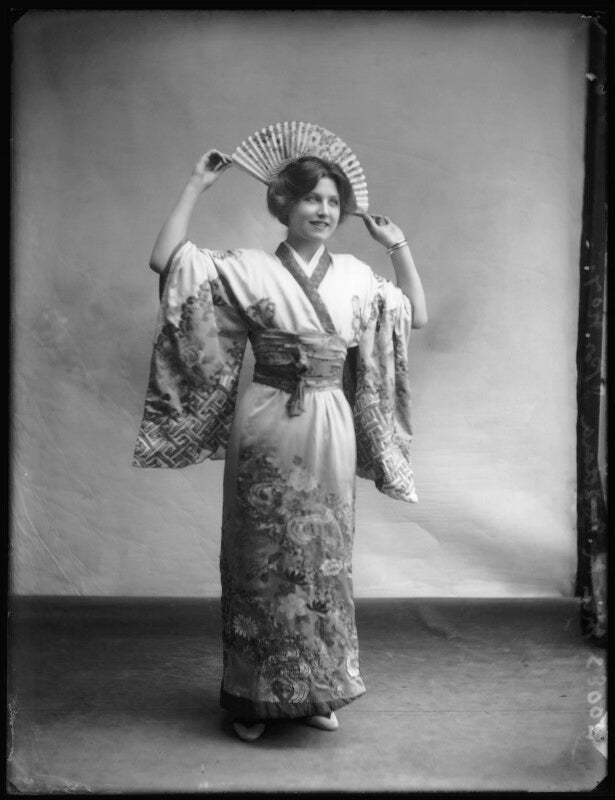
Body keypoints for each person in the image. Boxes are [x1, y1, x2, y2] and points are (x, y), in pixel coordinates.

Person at [136, 148, 427, 742]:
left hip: (330, 421)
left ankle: (315, 690)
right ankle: (252, 698)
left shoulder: (354, 275)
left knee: (323, 558)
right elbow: (167, 261)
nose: (323, 210)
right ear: (284, 204)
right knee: (260, 556)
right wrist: (195, 185)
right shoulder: (249, 267)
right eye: (311, 198)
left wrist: (396, 245)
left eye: (332, 201)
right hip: (266, 420)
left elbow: (414, 315)